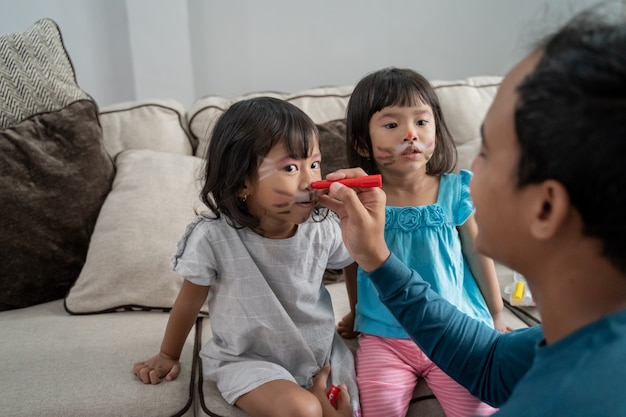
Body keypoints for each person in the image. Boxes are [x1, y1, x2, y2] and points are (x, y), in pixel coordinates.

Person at [320, 5, 626, 417]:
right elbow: (487, 362)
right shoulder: (564, 344)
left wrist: (494, 312)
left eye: (489, 152)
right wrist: (374, 260)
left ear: (546, 207)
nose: (471, 169)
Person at [133, 97, 359, 417]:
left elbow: (354, 259)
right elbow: (188, 302)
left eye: (314, 164)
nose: (312, 181)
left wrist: (357, 312)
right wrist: (168, 354)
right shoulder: (214, 237)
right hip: (249, 362)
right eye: (292, 168)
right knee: (304, 409)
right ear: (242, 183)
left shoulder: (323, 228)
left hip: (320, 355)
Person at [338, 67, 505, 417]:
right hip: (385, 338)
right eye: (392, 125)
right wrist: (356, 313)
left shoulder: (454, 189)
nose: (410, 134)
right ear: (360, 142)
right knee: (377, 408)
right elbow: (356, 260)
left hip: (455, 329)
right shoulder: (363, 199)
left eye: (421, 122)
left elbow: (477, 254)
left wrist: (496, 313)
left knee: (480, 410)